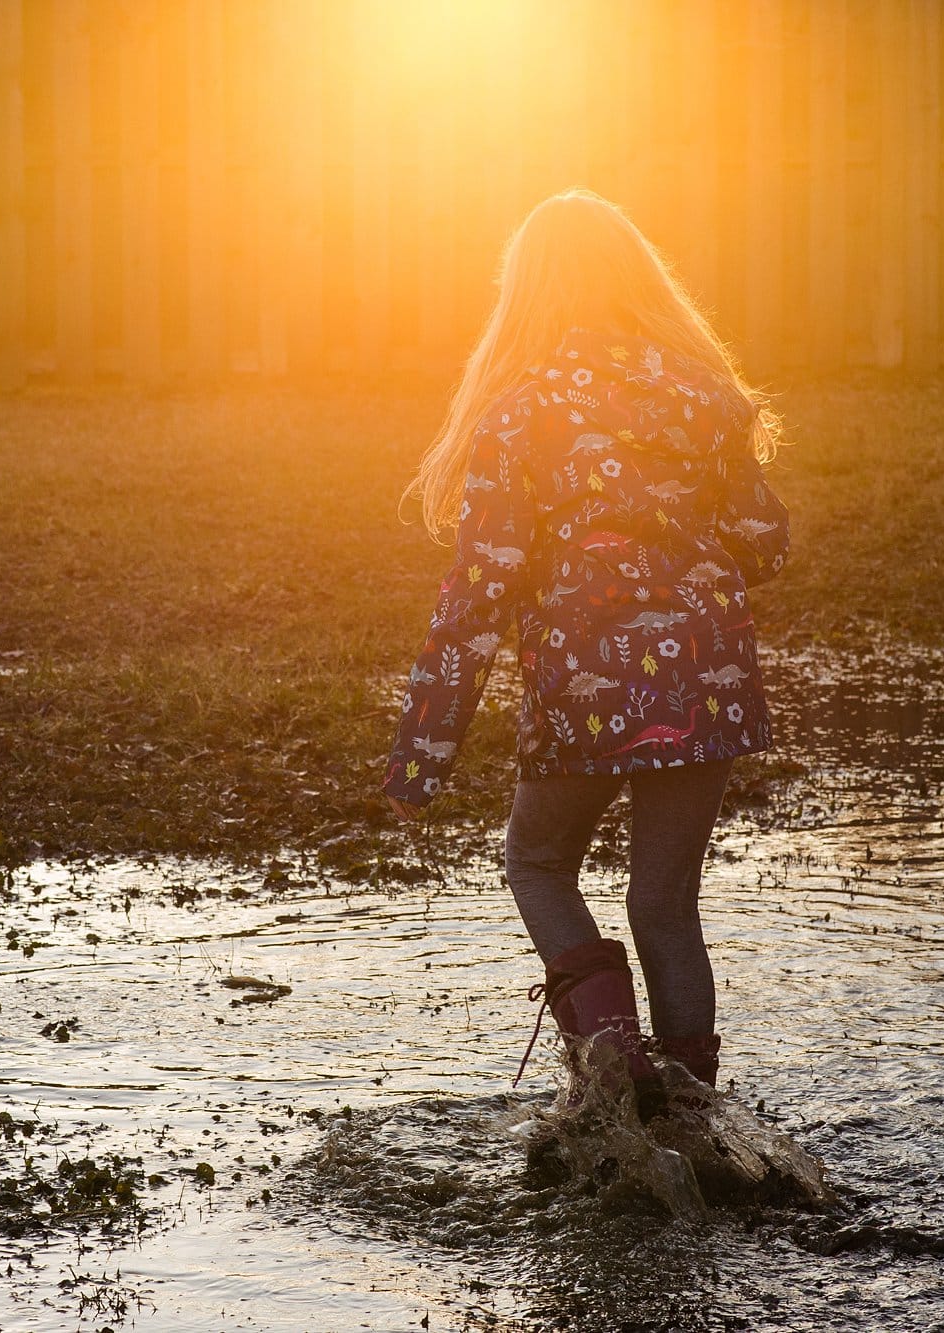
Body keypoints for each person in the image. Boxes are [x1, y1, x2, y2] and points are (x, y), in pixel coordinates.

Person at [383, 191, 790, 1115]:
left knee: (536, 864)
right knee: (664, 904)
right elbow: (764, 539)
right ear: (640, 280)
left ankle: (615, 1099)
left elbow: (479, 592)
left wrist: (422, 753)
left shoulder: (521, 413)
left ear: (524, 294)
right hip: (705, 679)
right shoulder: (703, 398)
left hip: (586, 688)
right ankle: (694, 1122)